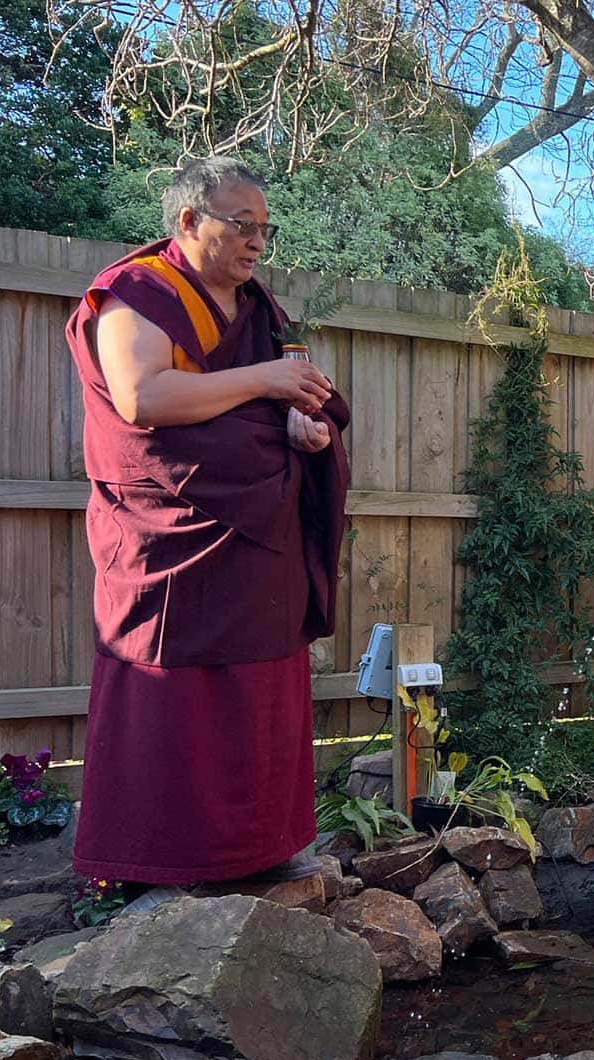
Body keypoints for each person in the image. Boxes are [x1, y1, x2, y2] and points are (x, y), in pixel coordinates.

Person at [64, 157, 351, 891]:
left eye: (265, 228)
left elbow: (267, 408)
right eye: (242, 224)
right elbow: (142, 399)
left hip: (256, 531)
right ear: (189, 222)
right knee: (171, 692)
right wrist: (266, 382)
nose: (258, 242)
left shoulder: (259, 309)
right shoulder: (138, 291)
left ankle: (269, 842)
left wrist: (298, 429)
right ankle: (159, 864)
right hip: (170, 530)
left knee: (263, 684)